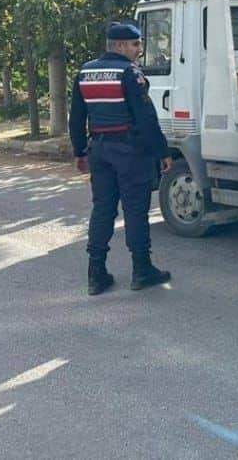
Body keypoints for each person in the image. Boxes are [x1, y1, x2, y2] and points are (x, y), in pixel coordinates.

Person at [69, 22, 174, 295]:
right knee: (135, 209)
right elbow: (146, 118)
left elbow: (77, 117)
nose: (139, 50)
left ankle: (96, 273)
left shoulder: (84, 72)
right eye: (136, 44)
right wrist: (162, 152)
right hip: (129, 151)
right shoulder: (129, 73)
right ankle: (142, 270)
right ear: (120, 46)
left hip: (99, 151)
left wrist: (80, 151)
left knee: (102, 209)